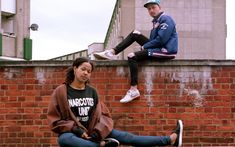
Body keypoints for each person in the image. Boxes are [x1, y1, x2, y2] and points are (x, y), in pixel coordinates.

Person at [47, 57, 183, 147]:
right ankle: (102, 145)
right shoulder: (61, 91)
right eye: (83, 69)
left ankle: (169, 139)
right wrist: (75, 129)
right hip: (74, 134)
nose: (86, 73)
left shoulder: (92, 91)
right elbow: (55, 119)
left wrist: (97, 133)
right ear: (75, 68)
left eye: (89, 71)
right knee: (64, 139)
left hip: (95, 132)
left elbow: (104, 116)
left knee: (128, 137)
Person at [94, 0, 178, 103]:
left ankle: (134, 90)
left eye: (153, 7)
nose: (151, 10)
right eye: (149, 9)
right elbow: (154, 41)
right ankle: (112, 52)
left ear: (159, 7)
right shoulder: (156, 21)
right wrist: (146, 46)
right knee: (135, 33)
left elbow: (161, 40)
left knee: (132, 56)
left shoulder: (166, 19)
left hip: (165, 51)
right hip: (158, 47)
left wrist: (145, 47)